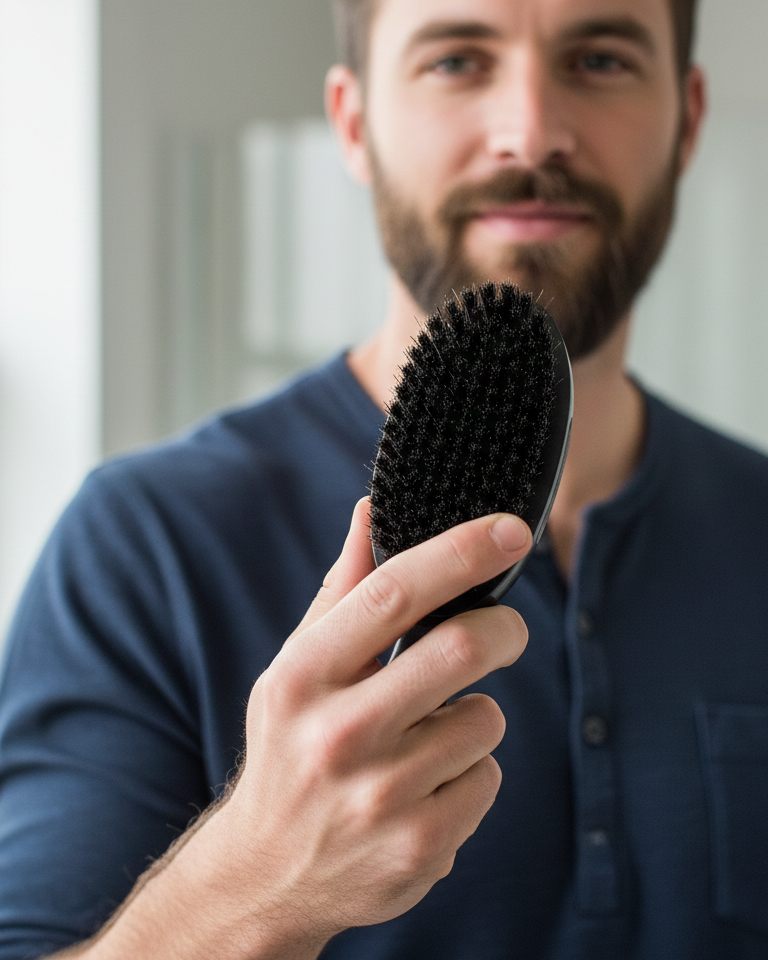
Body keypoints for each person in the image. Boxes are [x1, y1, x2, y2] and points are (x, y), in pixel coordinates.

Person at [2, 0, 768, 957]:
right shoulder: (143, 546)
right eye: (457, 61)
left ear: (688, 119)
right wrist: (252, 886)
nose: (531, 130)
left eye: (600, 60)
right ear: (354, 121)